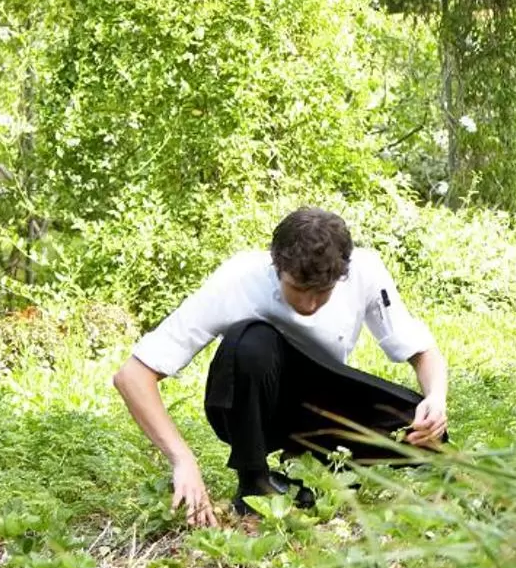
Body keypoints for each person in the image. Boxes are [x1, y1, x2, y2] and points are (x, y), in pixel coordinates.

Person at [111, 207, 448, 526]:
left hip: (321, 398)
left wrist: (436, 397)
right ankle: (254, 482)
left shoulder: (365, 272)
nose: (310, 303)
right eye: (298, 289)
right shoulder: (239, 278)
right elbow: (133, 376)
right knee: (251, 340)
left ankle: (311, 472)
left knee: (425, 433)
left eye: (322, 292)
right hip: (251, 406)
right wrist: (182, 459)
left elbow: (422, 351)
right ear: (276, 267)